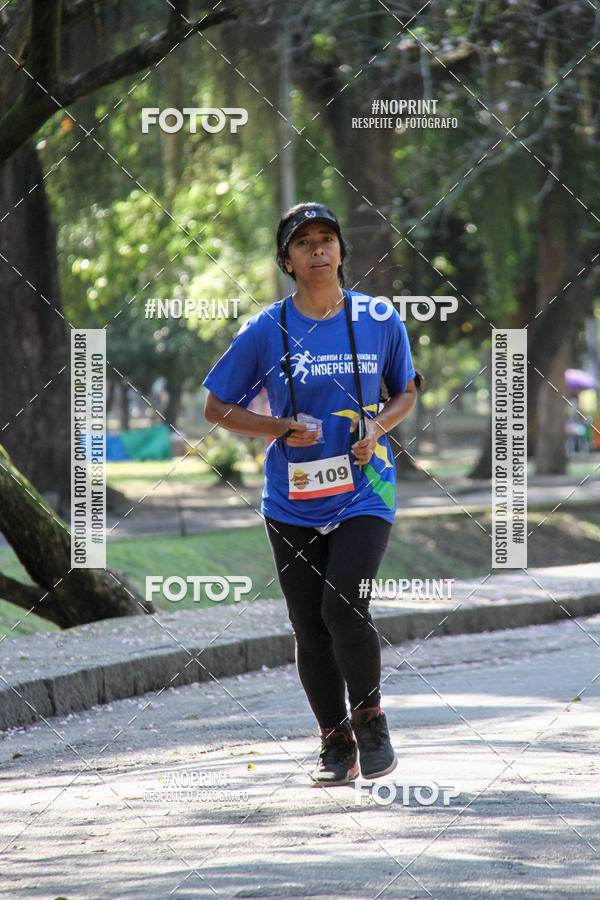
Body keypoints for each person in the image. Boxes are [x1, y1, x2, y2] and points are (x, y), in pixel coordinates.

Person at [204, 201, 418, 786]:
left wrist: (377, 428)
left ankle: (371, 723)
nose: (318, 250)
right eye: (304, 243)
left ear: (342, 251)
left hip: (364, 487)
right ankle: (335, 742)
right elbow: (215, 407)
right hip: (291, 496)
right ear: (288, 261)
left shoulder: (379, 317)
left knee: (343, 605)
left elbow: (406, 391)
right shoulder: (264, 330)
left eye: (327, 238)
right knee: (308, 623)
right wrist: (278, 427)